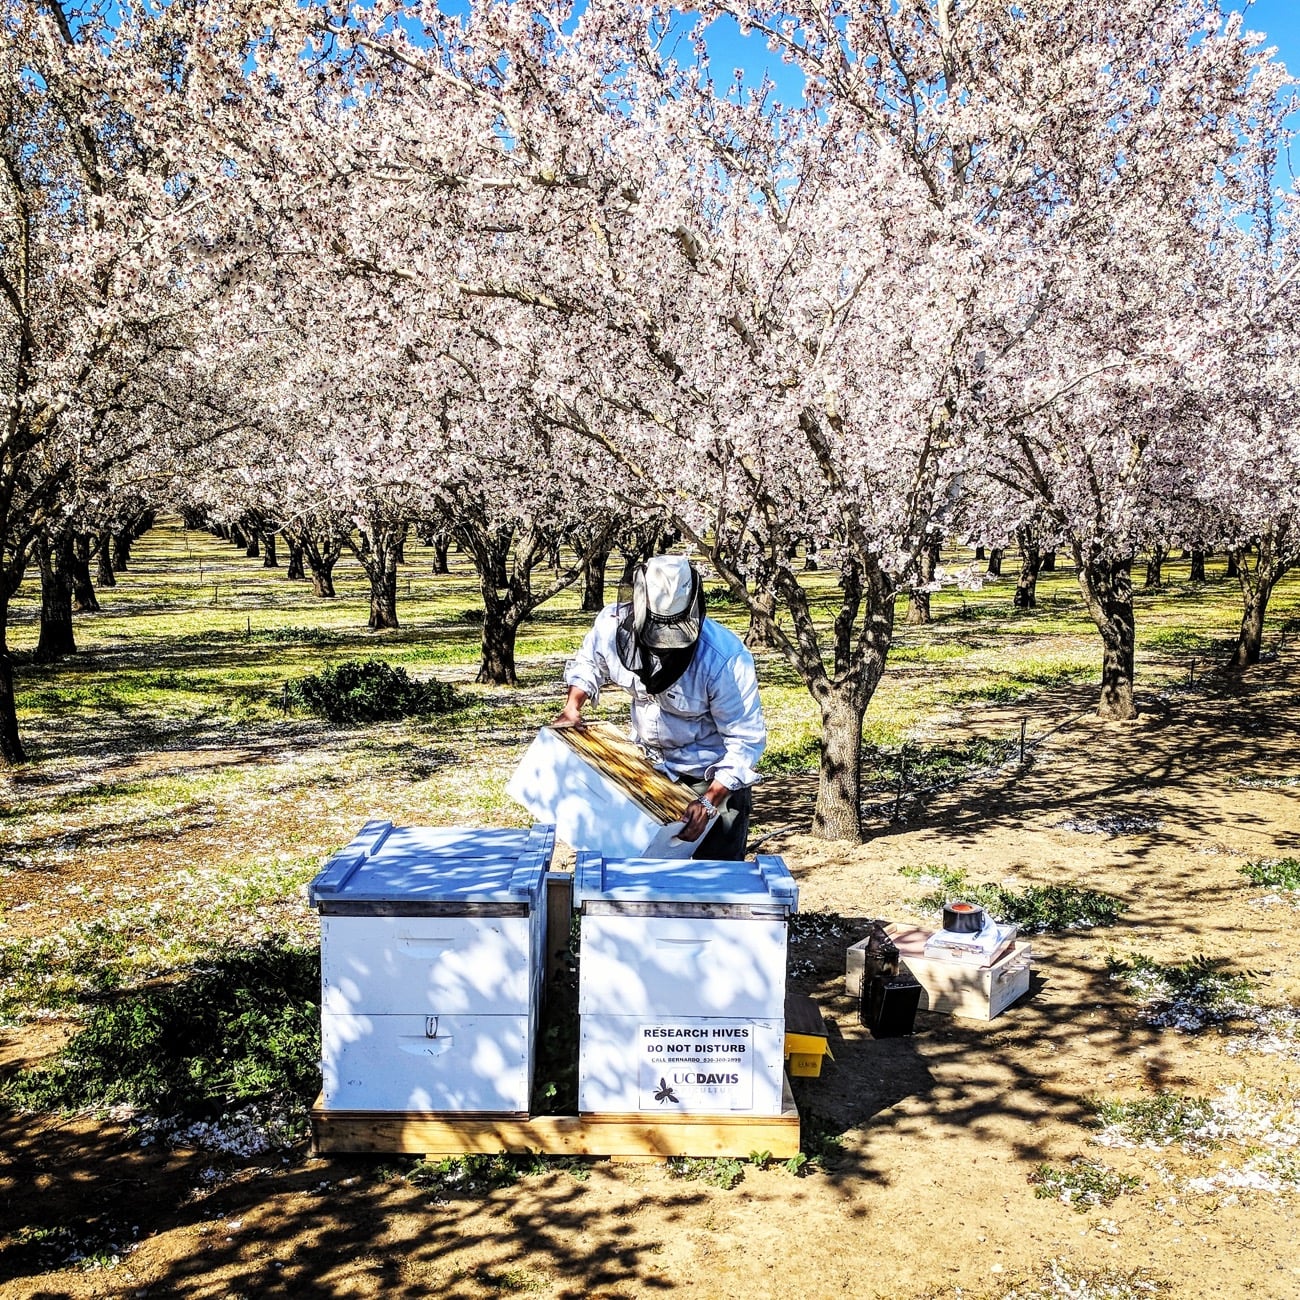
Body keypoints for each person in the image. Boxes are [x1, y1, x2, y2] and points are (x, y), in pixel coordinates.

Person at [554, 555, 766, 859]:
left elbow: (745, 740)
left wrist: (709, 801)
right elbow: (590, 663)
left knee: (711, 887)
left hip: (711, 780)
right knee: (643, 878)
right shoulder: (610, 625)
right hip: (648, 772)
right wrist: (573, 705)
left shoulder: (725, 658)